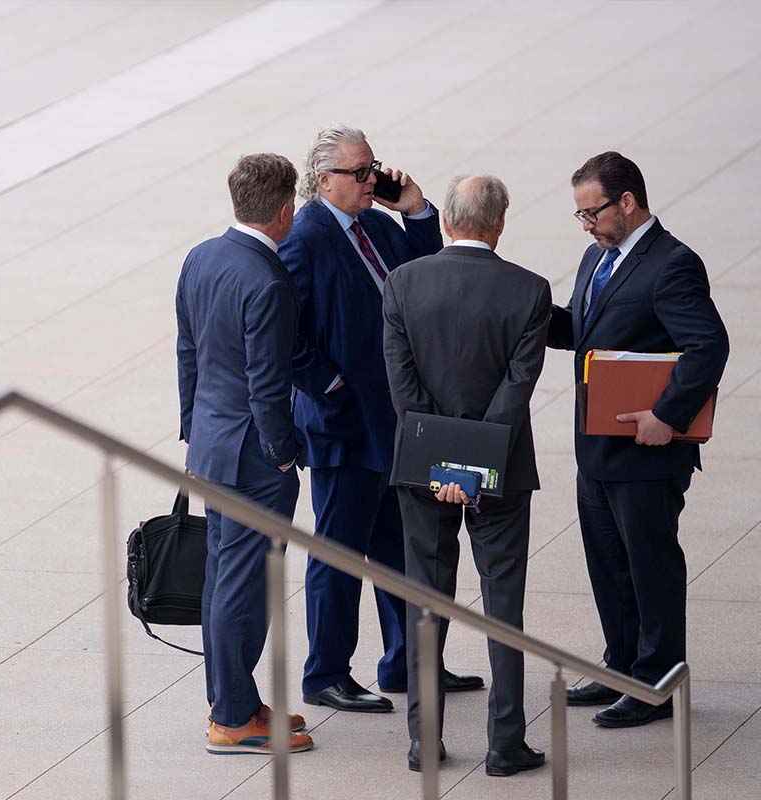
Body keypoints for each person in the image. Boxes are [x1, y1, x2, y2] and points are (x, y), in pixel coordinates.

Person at [278, 125, 482, 713]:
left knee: (402, 547)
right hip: (344, 422)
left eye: (374, 169)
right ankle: (325, 673)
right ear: (324, 181)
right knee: (340, 551)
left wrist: (417, 210)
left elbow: (434, 274)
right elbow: (283, 331)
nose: (373, 181)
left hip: (395, 419)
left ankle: (408, 663)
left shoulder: (375, 224)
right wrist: (329, 383)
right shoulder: (306, 237)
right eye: (360, 173)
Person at [549, 152, 729, 728]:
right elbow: (582, 328)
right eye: (579, 215)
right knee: (608, 564)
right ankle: (621, 666)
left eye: (592, 212)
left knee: (649, 565)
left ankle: (658, 682)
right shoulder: (593, 258)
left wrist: (668, 415)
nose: (586, 225)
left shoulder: (672, 263)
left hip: (648, 453)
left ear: (627, 202)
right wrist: (517, 306)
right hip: (596, 448)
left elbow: (708, 346)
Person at [383, 175, 550, 776]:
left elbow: (404, 390)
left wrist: (442, 464)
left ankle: (423, 742)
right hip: (500, 472)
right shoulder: (530, 291)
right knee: (503, 605)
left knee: (425, 602)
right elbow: (515, 390)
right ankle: (506, 744)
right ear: (499, 225)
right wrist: (475, 466)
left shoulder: (403, 282)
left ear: (447, 221)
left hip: (422, 471)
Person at [176, 153, 312, 755]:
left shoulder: (201, 257)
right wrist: (285, 453)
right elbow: (267, 384)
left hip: (210, 444)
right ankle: (232, 718)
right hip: (253, 458)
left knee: (222, 577)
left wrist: (191, 429)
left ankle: (229, 698)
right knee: (244, 583)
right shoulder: (267, 278)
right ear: (285, 211)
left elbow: (188, 353)